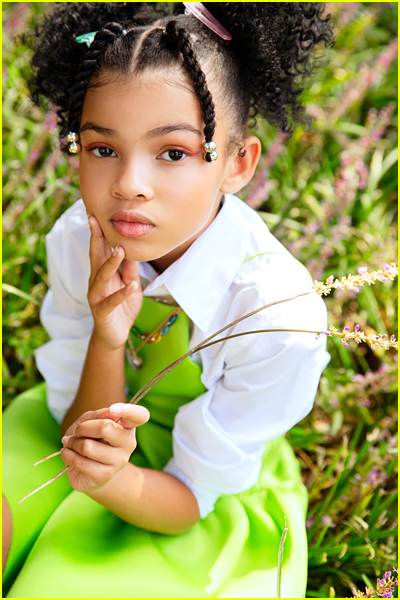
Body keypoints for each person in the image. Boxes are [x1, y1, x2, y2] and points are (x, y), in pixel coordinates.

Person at [2, 3, 333, 597]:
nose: (129, 183)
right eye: (103, 149)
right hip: (75, 428)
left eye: (173, 153)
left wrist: (110, 481)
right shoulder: (81, 238)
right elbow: (74, 426)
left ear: (237, 163)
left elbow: (187, 498)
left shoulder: (277, 319)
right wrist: (108, 337)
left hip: (193, 501)